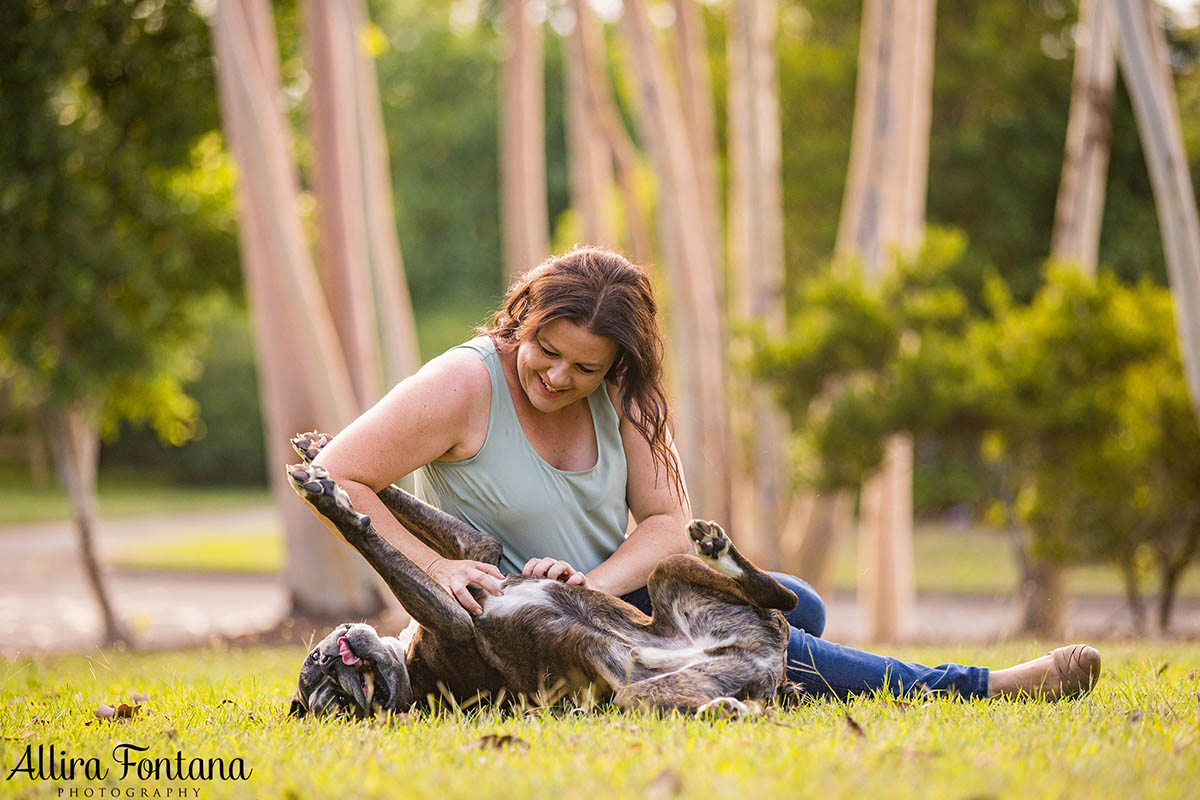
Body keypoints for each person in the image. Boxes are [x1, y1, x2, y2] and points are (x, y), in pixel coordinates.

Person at [312, 246, 1101, 701]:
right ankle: (979, 686)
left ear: (619, 363)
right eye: (545, 350)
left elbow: (664, 525)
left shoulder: (625, 397)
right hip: (516, 631)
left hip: (597, 596)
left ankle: (748, 674)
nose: (556, 377)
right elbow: (338, 473)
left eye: (584, 369)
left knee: (805, 608)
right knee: (780, 633)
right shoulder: (462, 385)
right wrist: (438, 566)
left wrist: (595, 580)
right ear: (522, 315)